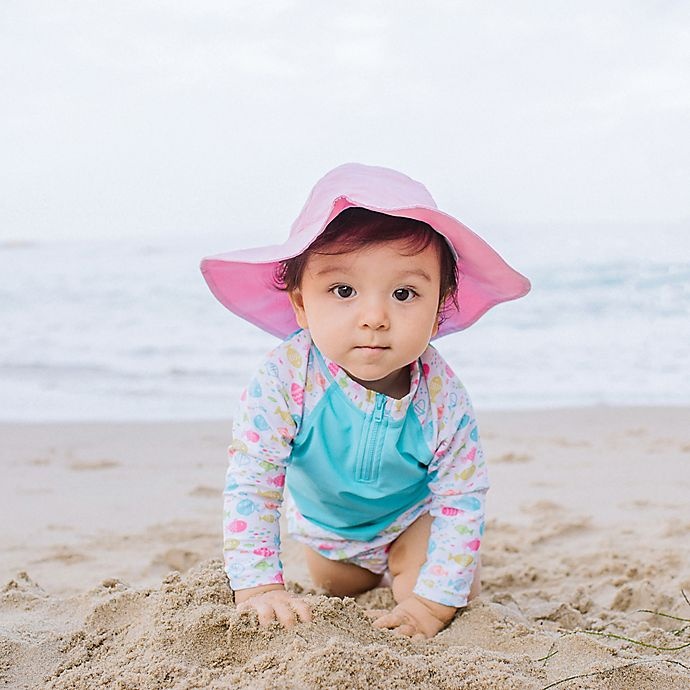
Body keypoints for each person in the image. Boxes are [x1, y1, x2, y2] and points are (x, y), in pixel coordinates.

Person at [200, 162, 530, 638]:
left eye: (403, 293)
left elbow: (462, 496)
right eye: (343, 290)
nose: (374, 316)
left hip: (412, 520)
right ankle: (358, 567)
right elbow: (254, 479)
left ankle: (416, 579)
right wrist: (258, 586)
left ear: (439, 310)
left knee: (442, 589)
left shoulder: (442, 397)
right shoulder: (286, 378)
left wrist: (432, 604)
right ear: (300, 304)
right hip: (330, 533)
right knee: (339, 586)